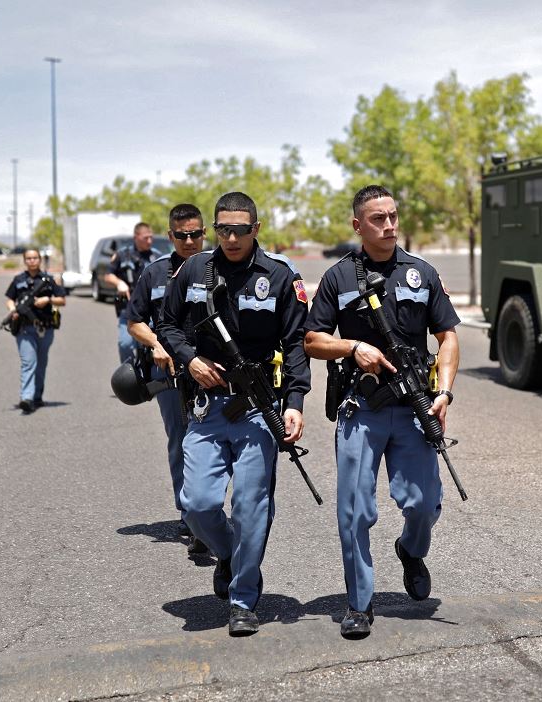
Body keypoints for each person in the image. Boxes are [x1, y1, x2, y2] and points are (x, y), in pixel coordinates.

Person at [304, 184, 460, 639]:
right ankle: (359, 603)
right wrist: (353, 347)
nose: (389, 225)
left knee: (425, 504)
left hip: (414, 406)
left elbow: (447, 336)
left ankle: (411, 551)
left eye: (393, 216)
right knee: (354, 511)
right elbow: (312, 340)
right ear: (358, 225)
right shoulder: (338, 278)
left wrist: (444, 393)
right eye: (377, 218)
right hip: (362, 406)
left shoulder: (421, 272)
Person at [158, 191, 310, 636]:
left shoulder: (279, 276)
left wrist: (296, 403)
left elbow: (296, 344)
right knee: (197, 505)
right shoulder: (194, 270)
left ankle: (244, 598)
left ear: (256, 229)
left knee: (250, 506)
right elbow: (166, 322)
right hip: (208, 407)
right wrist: (190, 359)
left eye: (240, 229)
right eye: (222, 228)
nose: (230, 237)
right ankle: (227, 554)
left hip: (259, 409)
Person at [126, 204, 207, 550]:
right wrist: (157, 343)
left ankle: (208, 507)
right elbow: (134, 321)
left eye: (195, 234)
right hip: (170, 371)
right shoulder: (154, 273)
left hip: (209, 370)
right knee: (181, 439)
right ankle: (191, 514)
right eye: (181, 235)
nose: (189, 241)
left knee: (212, 441)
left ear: (205, 233)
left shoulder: (218, 268)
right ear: (170, 235)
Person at [4, 248, 66, 414]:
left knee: (41, 364)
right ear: (25, 261)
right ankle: (27, 398)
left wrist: (48, 299)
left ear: (40, 260)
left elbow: (62, 300)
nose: (32, 261)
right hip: (25, 329)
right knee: (28, 362)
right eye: (28, 258)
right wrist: (13, 309)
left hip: (45, 328)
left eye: (35, 258)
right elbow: (9, 299)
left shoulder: (48, 279)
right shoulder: (18, 280)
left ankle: (37, 396)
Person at [106, 222, 158, 363]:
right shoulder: (122, 255)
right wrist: (119, 283)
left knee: (150, 347)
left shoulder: (156, 257)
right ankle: (129, 377)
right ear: (136, 237)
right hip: (128, 310)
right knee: (126, 344)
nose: (149, 241)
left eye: (151, 237)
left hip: (151, 312)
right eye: (145, 238)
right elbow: (108, 275)